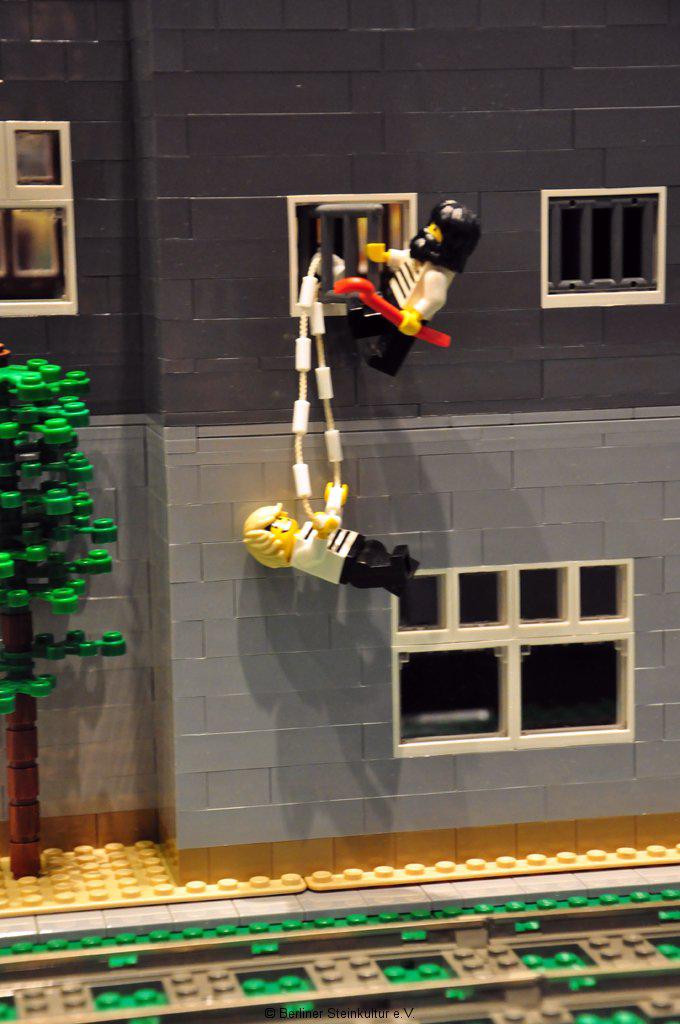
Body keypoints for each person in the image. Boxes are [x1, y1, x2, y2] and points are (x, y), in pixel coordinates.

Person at [347, 199, 481, 376]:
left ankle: (382, 360)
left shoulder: (436, 274)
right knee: (375, 320)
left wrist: (416, 315)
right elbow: (404, 257)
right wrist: (384, 256)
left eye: (435, 229)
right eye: (431, 225)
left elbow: (435, 299)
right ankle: (360, 326)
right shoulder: (421, 255)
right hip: (396, 295)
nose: (428, 231)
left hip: (409, 313)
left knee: (395, 342)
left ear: (451, 242)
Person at [243, 504, 418, 596]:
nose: (282, 523)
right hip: (349, 566)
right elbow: (316, 554)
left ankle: (400, 580)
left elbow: (331, 522)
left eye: (278, 518)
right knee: (375, 568)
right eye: (273, 527)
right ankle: (400, 576)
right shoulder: (298, 556)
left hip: (354, 546)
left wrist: (334, 502)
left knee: (376, 548)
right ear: (267, 545)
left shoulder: (305, 531)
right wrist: (322, 533)